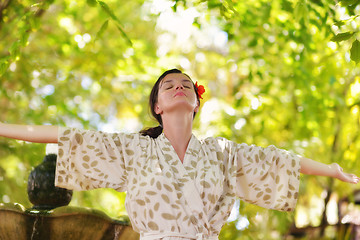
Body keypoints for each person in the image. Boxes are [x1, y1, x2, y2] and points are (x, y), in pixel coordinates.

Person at [0, 68, 358, 240]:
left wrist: (331, 169)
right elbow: (64, 137)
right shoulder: (134, 150)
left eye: (186, 84)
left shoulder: (222, 153)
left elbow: (280, 162)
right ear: (157, 105)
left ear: (196, 102)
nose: (179, 87)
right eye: (169, 86)